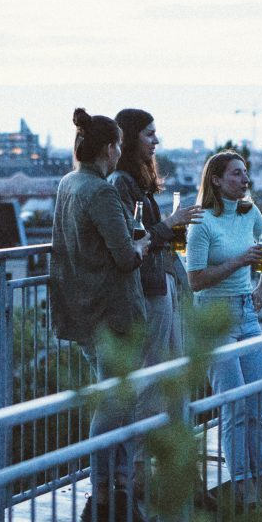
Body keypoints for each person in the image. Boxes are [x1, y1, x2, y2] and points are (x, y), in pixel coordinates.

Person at [49, 108, 151, 522]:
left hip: (84, 308)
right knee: (115, 404)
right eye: (119, 147)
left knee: (117, 399)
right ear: (110, 149)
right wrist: (144, 244)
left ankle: (114, 490)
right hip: (113, 313)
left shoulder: (66, 184)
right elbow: (126, 257)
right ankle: (105, 493)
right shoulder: (101, 192)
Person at [186, 150, 262, 507]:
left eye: (246, 173)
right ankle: (242, 486)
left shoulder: (249, 212)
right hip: (213, 319)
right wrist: (240, 261)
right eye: (237, 174)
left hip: (246, 314)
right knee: (235, 404)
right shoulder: (201, 222)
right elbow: (195, 280)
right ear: (217, 180)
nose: (245, 180)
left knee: (260, 398)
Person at [109, 108, 203, 373]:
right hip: (148, 286)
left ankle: (168, 415)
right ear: (129, 139)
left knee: (169, 364)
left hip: (159, 282)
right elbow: (135, 238)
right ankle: (150, 416)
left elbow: (146, 232)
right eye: (149, 135)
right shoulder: (121, 182)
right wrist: (171, 223)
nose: (156, 141)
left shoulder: (133, 181)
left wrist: (174, 228)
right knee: (154, 368)